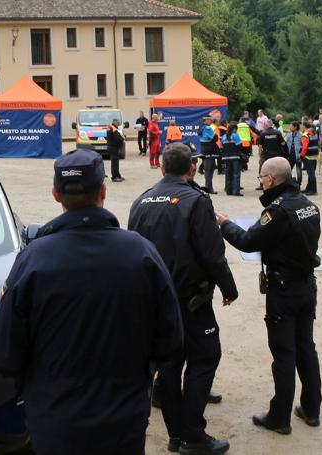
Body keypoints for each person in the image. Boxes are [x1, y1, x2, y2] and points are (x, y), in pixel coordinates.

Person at [0, 149, 183, 455]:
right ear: (103, 191)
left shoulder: (34, 259)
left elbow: (4, 351)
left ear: (55, 195)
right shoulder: (141, 253)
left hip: (55, 418)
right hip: (123, 416)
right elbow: (170, 340)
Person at [128, 143, 238, 455]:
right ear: (191, 169)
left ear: (162, 168)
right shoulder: (196, 201)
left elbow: (132, 252)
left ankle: (177, 436)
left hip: (155, 303)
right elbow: (212, 253)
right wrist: (229, 289)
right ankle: (192, 436)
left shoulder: (141, 200)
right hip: (190, 301)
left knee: (170, 365)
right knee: (205, 358)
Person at [215, 156, 322, 436]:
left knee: (284, 353)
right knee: (306, 348)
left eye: (261, 178)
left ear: (272, 180)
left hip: (284, 289)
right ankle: (311, 409)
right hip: (306, 286)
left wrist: (225, 224)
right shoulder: (308, 205)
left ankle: (279, 417)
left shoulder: (278, 211)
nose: (260, 182)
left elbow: (249, 241)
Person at [256, 120, 287, 190]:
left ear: (266, 125)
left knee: (263, 169)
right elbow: (283, 143)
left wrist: (260, 156)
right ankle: (279, 184)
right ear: (272, 125)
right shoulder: (278, 132)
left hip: (266, 155)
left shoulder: (263, 133)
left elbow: (260, 146)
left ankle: (262, 184)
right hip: (277, 155)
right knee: (277, 170)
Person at [222, 122, 244, 196]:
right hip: (235, 157)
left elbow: (222, 147)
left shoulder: (224, 136)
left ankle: (229, 191)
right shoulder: (235, 135)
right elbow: (240, 146)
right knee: (236, 175)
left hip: (226, 158)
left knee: (228, 174)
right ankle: (235, 192)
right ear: (234, 129)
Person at [198, 116, 218, 194]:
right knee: (209, 171)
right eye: (210, 120)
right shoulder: (207, 128)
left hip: (204, 151)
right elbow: (215, 137)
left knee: (207, 171)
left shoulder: (201, 128)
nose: (211, 121)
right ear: (206, 120)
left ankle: (208, 187)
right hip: (210, 151)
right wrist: (215, 136)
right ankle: (209, 188)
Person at [300, 121, 319, 195]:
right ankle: (309, 188)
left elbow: (304, 147)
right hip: (314, 155)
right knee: (311, 173)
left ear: (304, 126)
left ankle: (313, 190)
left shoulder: (305, 135)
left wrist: (302, 155)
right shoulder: (314, 133)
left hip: (308, 156)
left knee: (311, 174)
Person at [285, 121, 304, 187]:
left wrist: (300, 154)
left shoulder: (301, 135)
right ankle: (288, 184)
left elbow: (303, 145)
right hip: (290, 156)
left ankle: (299, 184)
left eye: (291, 126)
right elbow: (285, 144)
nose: (290, 127)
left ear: (295, 127)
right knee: (288, 170)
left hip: (298, 156)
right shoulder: (289, 135)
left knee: (298, 170)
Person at [106, 118, 125, 182]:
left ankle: (118, 175)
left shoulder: (112, 128)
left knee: (116, 163)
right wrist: (122, 138)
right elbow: (116, 139)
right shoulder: (112, 128)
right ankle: (114, 177)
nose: (119, 124)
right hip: (113, 148)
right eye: (118, 123)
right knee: (114, 163)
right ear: (115, 122)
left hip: (113, 147)